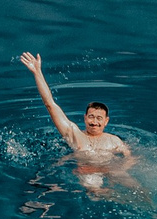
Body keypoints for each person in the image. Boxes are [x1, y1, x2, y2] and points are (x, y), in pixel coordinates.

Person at [19, 52, 132, 190]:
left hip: (111, 169)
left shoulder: (114, 141)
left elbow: (130, 158)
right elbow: (50, 104)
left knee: (137, 190)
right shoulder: (74, 134)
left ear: (106, 121)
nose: (94, 122)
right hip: (88, 173)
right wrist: (37, 72)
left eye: (99, 118)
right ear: (84, 118)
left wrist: (114, 169)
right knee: (96, 192)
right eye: (91, 117)